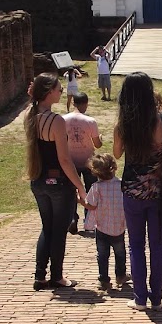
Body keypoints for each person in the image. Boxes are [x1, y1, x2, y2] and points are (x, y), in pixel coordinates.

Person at [113, 72, 162, 311]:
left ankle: (139, 298)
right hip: (159, 192)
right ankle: (156, 298)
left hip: (132, 192)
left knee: (136, 245)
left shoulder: (123, 126)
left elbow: (117, 155)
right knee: (157, 245)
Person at [24, 72, 87, 291]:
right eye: (59, 89)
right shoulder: (56, 121)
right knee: (59, 231)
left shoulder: (31, 116)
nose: (61, 92)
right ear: (49, 92)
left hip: (38, 180)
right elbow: (64, 159)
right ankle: (57, 276)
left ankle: (40, 276)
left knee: (47, 228)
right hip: (58, 182)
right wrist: (79, 186)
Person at [82, 153, 129, 291]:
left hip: (102, 227)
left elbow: (91, 205)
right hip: (118, 226)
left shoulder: (96, 187)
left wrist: (80, 201)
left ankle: (104, 280)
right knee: (120, 253)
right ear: (114, 168)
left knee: (102, 255)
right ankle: (120, 275)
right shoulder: (122, 185)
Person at [62, 91, 103, 234]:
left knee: (71, 190)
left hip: (70, 160)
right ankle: (88, 220)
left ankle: (72, 218)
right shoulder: (90, 121)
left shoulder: (63, 119)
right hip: (87, 161)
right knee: (90, 190)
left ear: (73, 103)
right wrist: (101, 138)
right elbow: (97, 145)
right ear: (86, 103)